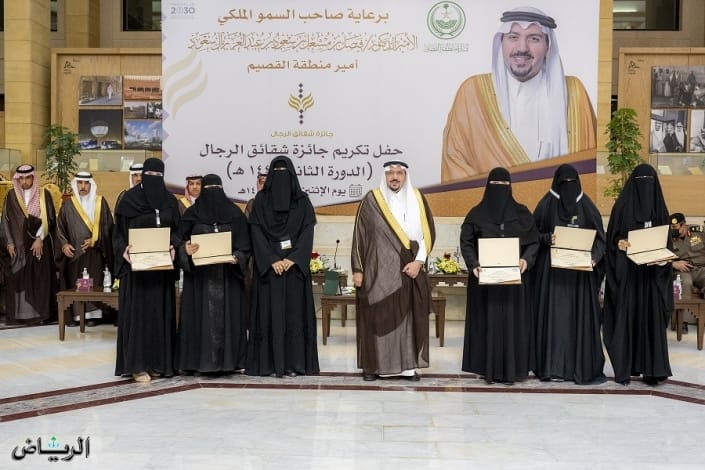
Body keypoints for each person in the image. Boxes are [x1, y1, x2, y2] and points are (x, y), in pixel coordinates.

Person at [441, 6, 596, 182]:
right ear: (501, 42)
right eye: (513, 37)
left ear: (548, 46)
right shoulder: (472, 92)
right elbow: (455, 161)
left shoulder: (573, 92)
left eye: (534, 38)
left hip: (556, 198)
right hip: (494, 198)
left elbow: (588, 160)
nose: (522, 48)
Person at [351, 160, 436, 382]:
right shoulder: (371, 200)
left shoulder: (417, 198)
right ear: (384, 176)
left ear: (405, 176)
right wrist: (358, 269)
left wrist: (418, 262)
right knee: (377, 318)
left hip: (409, 270)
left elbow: (427, 235)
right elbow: (359, 236)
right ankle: (374, 367)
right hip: (378, 273)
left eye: (399, 173)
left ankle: (408, 369)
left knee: (408, 318)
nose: (395, 177)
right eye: (391, 173)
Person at [459, 167, 539, 384]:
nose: (500, 190)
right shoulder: (476, 214)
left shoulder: (522, 214)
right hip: (485, 283)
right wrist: (473, 264)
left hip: (515, 283)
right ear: (488, 187)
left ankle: (514, 368)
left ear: (510, 187)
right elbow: (466, 242)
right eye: (496, 185)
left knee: (514, 324)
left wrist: (526, 260)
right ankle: (485, 367)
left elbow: (533, 242)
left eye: (504, 185)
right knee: (487, 323)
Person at [531, 164, 606, 384]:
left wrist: (594, 258)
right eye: (564, 184)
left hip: (579, 278)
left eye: (572, 183)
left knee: (577, 321)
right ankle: (552, 367)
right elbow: (531, 234)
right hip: (552, 277)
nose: (568, 188)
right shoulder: (545, 205)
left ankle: (577, 367)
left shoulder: (587, 206)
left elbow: (600, 238)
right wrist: (547, 238)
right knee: (554, 321)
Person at [246, 155, 319, 377]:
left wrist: (292, 259)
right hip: (269, 273)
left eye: (284, 174)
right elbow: (256, 233)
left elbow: (307, 232)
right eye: (275, 173)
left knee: (294, 318)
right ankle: (268, 364)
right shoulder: (260, 201)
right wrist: (271, 260)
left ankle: (294, 364)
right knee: (268, 317)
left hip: (293, 271)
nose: (280, 179)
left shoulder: (303, 202)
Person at [603, 164, 673, 386]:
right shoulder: (622, 208)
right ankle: (626, 369)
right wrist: (619, 243)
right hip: (629, 278)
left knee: (651, 322)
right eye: (641, 181)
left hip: (652, 279)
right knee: (627, 320)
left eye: (649, 181)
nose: (645, 187)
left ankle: (653, 370)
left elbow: (667, 244)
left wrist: (663, 260)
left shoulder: (660, 210)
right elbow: (611, 239)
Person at [113, 158, 181, 383]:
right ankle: (138, 366)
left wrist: (174, 246)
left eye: (158, 176)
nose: (154, 180)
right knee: (139, 317)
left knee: (160, 316)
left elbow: (178, 232)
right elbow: (117, 234)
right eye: (150, 175)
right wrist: (123, 249)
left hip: (161, 271)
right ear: (143, 176)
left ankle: (159, 363)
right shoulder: (129, 200)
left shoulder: (170, 201)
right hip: (137, 273)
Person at [176, 174, 251, 375]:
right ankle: (195, 362)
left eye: (215, 190)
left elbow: (245, 245)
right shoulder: (191, 214)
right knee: (199, 319)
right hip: (199, 279)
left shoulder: (235, 214)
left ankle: (232, 361)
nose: (212, 196)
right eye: (208, 190)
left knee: (229, 318)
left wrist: (237, 257)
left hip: (228, 278)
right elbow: (178, 240)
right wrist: (185, 249)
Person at [0, 164, 58, 325]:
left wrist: (40, 238)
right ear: (18, 179)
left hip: (38, 246)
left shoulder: (43, 194)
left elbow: (50, 219)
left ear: (33, 177)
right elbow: (5, 220)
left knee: (39, 281)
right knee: (18, 281)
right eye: (21, 178)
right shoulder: (11, 195)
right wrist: (9, 242)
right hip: (18, 247)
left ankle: (40, 315)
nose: (24, 181)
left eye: (28, 178)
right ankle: (20, 316)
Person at [56, 171, 114, 325]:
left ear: (91, 185)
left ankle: (93, 314)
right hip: (75, 254)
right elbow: (59, 227)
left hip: (95, 253)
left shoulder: (100, 202)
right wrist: (64, 244)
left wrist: (95, 239)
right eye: (80, 183)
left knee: (94, 282)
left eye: (86, 183)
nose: (83, 186)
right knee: (78, 284)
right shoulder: (68, 205)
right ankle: (78, 315)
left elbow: (108, 227)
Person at [670, 212, 705, 296]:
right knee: (685, 283)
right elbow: (659, 258)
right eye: (670, 227)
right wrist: (673, 264)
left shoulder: (699, 232)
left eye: (675, 227)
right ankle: (684, 305)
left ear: (684, 225)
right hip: (682, 272)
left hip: (701, 269)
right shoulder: (667, 238)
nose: (672, 230)